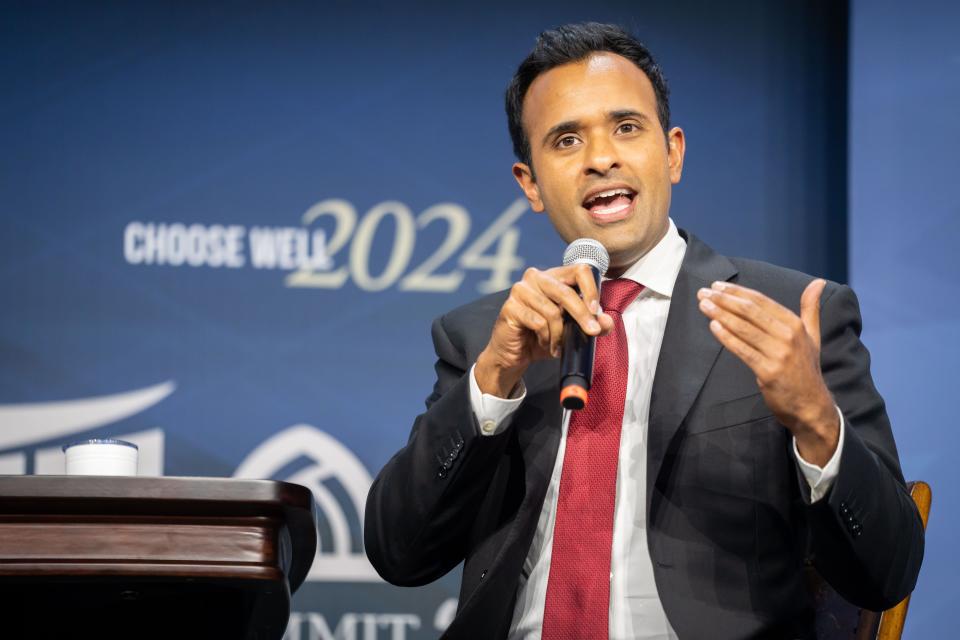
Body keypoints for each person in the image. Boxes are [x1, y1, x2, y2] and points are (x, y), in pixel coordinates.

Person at [364, 22, 924, 640]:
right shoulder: (485, 336)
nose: (601, 157)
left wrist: (817, 421)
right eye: (567, 139)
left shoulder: (788, 314)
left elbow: (888, 572)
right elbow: (399, 554)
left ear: (673, 152)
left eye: (626, 128)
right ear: (529, 185)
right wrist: (492, 381)